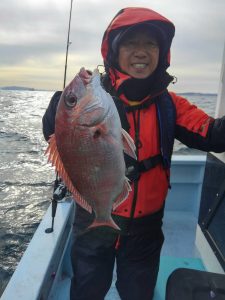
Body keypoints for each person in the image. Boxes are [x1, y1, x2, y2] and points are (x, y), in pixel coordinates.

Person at [42, 7, 225, 300]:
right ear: (113, 52)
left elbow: (214, 134)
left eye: (151, 44)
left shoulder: (170, 105)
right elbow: (59, 141)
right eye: (131, 43)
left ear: (162, 53)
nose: (141, 52)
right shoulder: (95, 96)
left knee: (138, 292)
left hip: (146, 228)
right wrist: (58, 114)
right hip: (92, 218)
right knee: (86, 289)